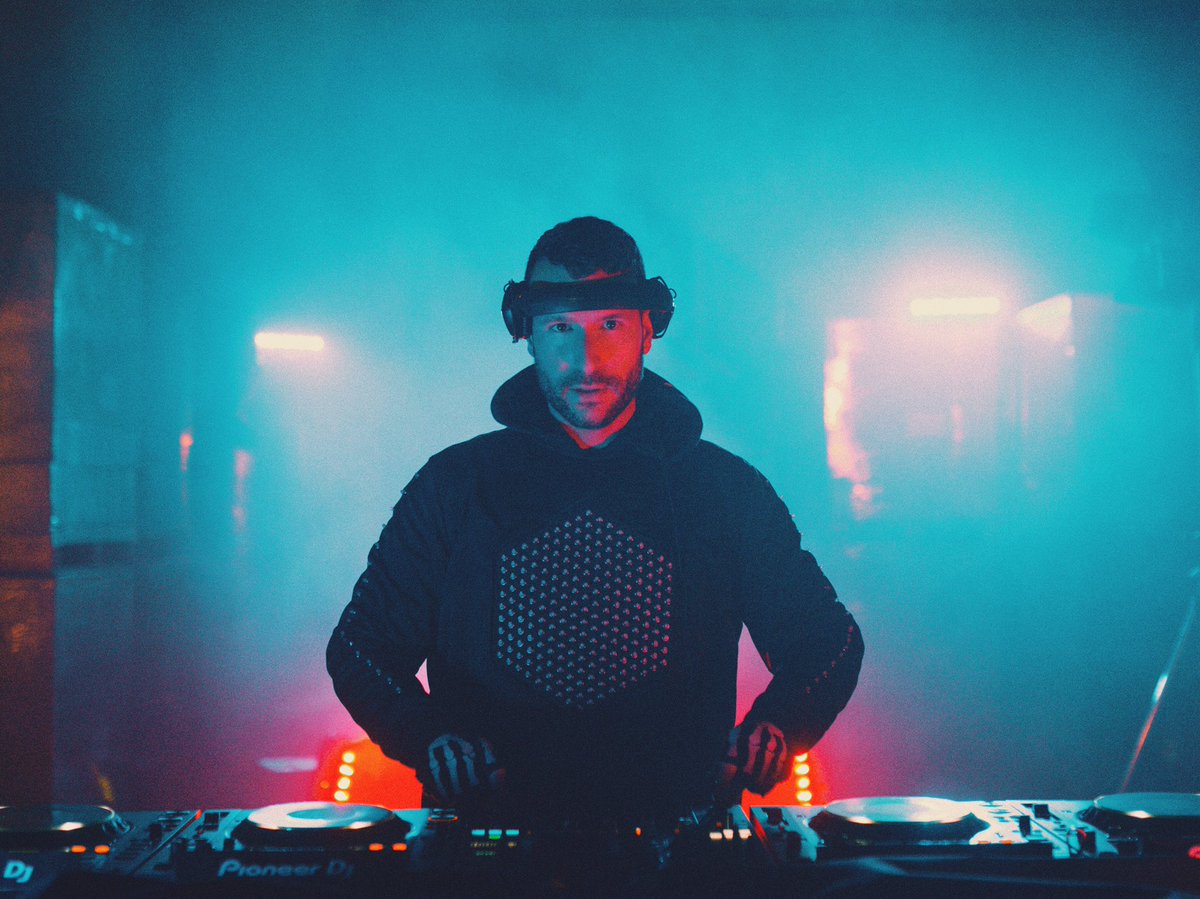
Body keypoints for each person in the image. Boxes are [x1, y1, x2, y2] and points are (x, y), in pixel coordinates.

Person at [327, 216, 863, 823]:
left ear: (647, 331)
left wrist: (777, 727)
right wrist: (428, 740)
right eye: (561, 327)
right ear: (527, 333)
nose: (587, 360)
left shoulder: (725, 491)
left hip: (679, 843)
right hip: (491, 841)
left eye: (610, 325)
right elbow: (361, 647)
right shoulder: (454, 487)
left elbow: (828, 642)